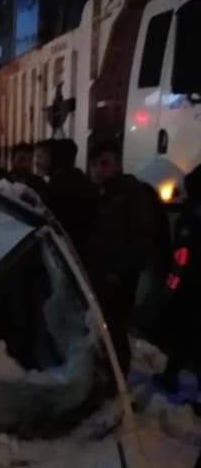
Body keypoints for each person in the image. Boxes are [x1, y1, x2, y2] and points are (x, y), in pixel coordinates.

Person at [86, 140, 157, 374]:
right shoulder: (104, 195)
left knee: (116, 331)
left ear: (118, 165)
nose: (98, 169)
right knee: (107, 331)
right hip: (103, 276)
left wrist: (119, 273)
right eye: (95, 164)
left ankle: (118, 383)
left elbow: (141, 240)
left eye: (105, 164)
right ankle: (110, 375)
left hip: (118, 280)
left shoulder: (131, 196)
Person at [154, 164, 201, 395]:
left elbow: (182, 257)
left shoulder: (191, 217)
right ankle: (171, 374)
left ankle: (170, 376)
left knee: (185, 332)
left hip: (191, 287)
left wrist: (170, 287)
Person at [44, 139, 97, 253]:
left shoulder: (56, 186)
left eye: (46, 156)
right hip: (85, 247)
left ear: (55, 158)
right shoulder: (83, 181)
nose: (41, 161)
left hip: (65, 248)